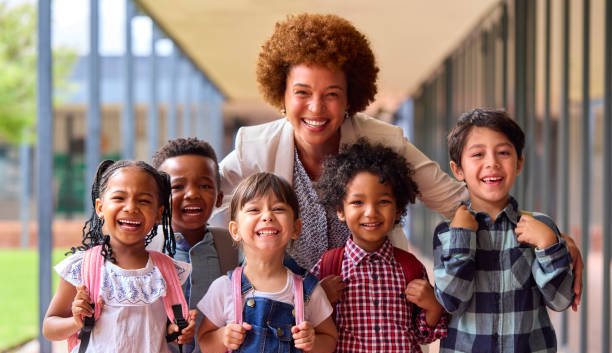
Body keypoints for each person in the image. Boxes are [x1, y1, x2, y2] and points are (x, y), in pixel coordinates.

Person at [213, 13, 583, 309]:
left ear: (350, 99)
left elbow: (458, 201)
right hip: (289, 310)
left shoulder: (381, 139)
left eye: (332, 94)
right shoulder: (255, 146)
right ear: (281, 93)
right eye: (302, 93)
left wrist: (545, 235)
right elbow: (200, 197)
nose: (316, 108)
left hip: (371, 310)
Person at [433, 109, 574, 353]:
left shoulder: (541, 228)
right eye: (478, 154)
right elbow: (451, 301)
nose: (492, 163)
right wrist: (462, 238)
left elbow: (561, 299)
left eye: (503, 152)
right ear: (457, 169)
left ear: (519, 163)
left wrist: (549, 244)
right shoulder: (448, 233)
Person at [42, 160, 198, 353]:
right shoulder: (82, 267)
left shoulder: (167, 271)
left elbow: (165, 331)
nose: (131, 207)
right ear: (100, 207)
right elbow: (49, 327)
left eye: (144, 201)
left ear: (159, 213)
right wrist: (75, 320)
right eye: (119, 198)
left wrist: (179, 331)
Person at [312, 140, 447, 353]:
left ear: (398, 210)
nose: (371, 212)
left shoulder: (409, 267)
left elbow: (423, 334)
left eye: (383, 202)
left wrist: (432, 304)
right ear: (340, 210)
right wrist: (319, 299)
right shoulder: (329, 267)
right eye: (358, 202)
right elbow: (309, 331)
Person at [197, 172, 338, 353]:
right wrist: (222, 337)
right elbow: (204, 342)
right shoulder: (224, 288)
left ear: (295, 227)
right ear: (235, 230)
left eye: (278, 209)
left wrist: (313, 341)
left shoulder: (307, 291)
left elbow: (330, 339)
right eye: (254, 210)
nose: (267, 216)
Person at [150, 138, 239, 353]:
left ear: (219, 197)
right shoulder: (141, 252)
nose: (192, 194)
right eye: (177, 186)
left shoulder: (232, 249)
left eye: (204, 185)